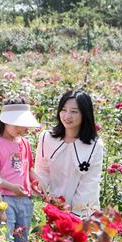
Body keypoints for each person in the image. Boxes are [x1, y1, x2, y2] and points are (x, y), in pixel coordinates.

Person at [34, 89, 104, 217]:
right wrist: (39, 190)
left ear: (85, 114)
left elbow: (89, 185)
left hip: (83, 213)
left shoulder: (94, 145)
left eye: (74, 112)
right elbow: (41, 171)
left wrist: (72, 215)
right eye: (64, 110)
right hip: (53, 209)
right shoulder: (47, 138)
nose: (67, 116)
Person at [0, 100, 41, 242]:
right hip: (4, 198)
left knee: (23, 237)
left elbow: (28, 168)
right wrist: (12, 187)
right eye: (17, 124)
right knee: (5, 237)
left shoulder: (24, 143)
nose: (21, 128)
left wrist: (38, 182)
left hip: (25, 199)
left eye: (23, 124)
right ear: (4, 122)